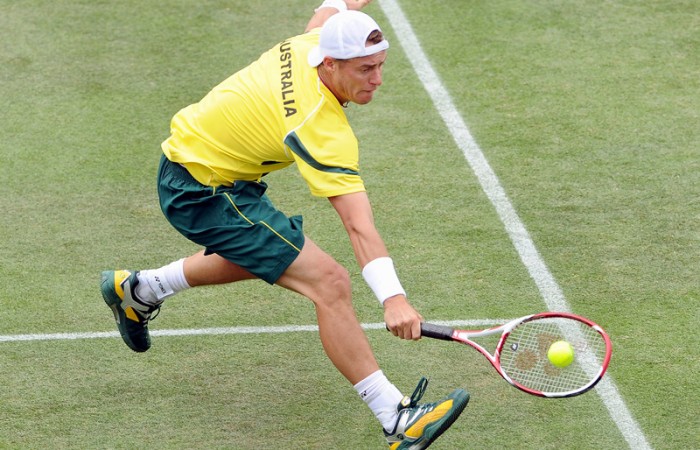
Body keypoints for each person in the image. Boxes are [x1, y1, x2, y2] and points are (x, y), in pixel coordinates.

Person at [100, 0, 469, 448]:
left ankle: (141, 290)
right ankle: (395, 417)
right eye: (365, 69)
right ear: (330, 64)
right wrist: (393, 299)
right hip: (202, 192)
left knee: (272, 253)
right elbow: (358, 226)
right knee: (329, 281)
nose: (377, 79)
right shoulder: (320, 127)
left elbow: (331, 8)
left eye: (380, 65)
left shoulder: (308, 44)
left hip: (204, 164)